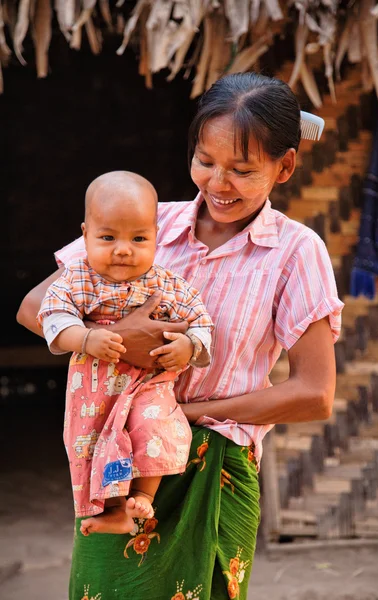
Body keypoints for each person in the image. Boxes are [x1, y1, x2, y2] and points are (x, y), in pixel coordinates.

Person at [17, 73, 343, 600]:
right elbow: (36, 307)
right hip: (118, 459)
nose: (218, 183)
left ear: (284, 166)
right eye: (206, 162)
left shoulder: (296, 253)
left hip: (214, 463)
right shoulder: (144, 226)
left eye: (242, 170)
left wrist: (177, 414)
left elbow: (314, 394)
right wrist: (118, 337)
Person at [36, 171, 213, 537]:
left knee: (152, 430)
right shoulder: (77, 279)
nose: (123, 249)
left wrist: (188, 346)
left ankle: (143, 497)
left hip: (149, 385)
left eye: (138, 238)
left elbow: (200, 321)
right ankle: (114, 508)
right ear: (84, 235)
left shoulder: (166, 284)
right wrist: (85, 338)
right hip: (95, 389)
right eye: (107, 237)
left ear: (156, 238)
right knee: (93, 441)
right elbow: (52, 317)